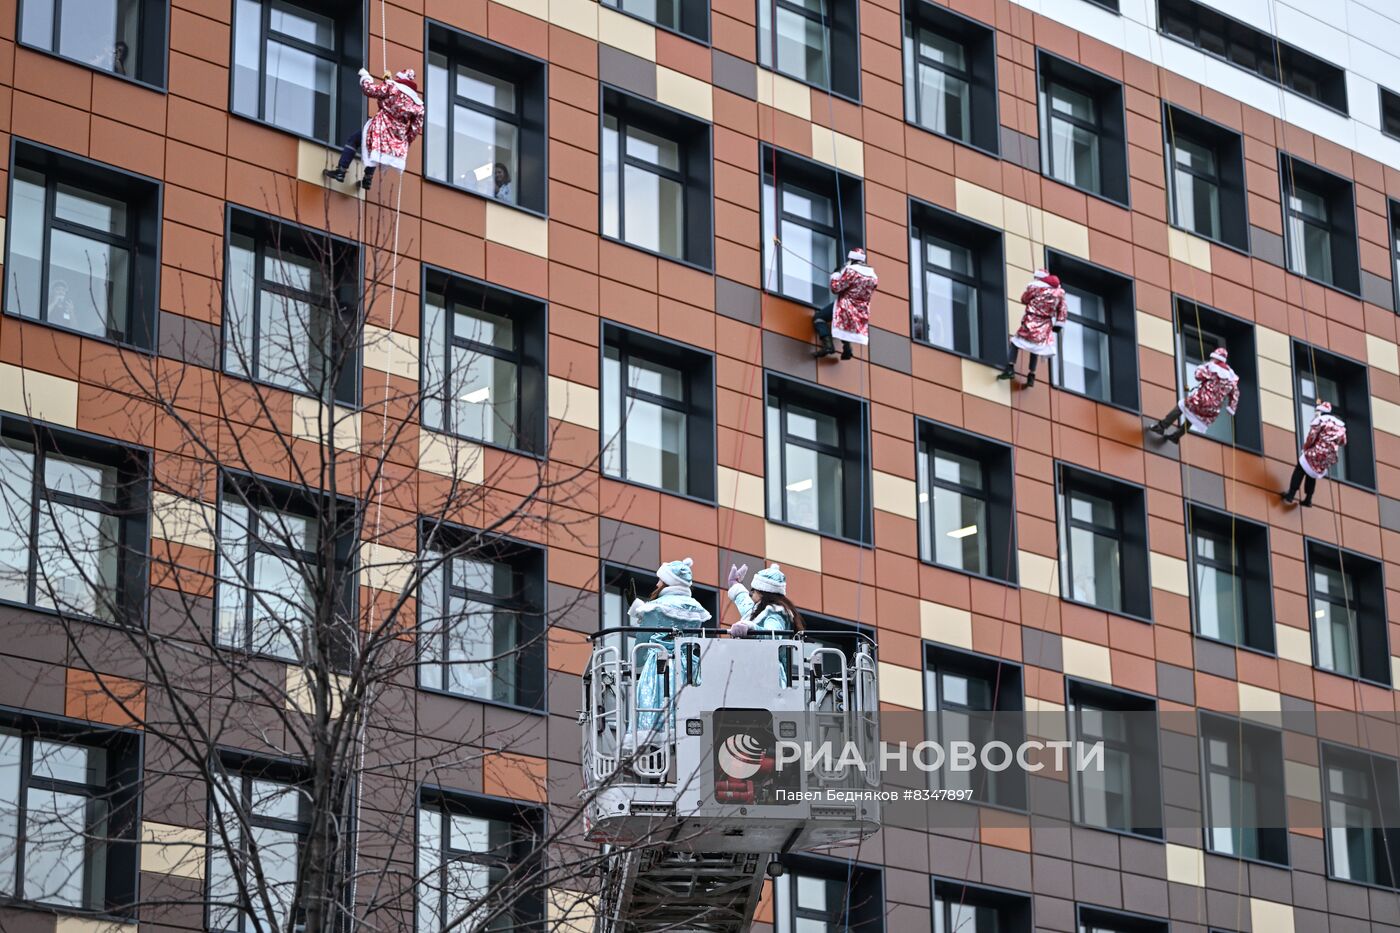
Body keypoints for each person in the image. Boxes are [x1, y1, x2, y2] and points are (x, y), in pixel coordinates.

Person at [630, 558, 711, 741]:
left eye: (660, 579)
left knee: (653, 705)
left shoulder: (657, 607)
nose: (657, 583)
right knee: (685, 709)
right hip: (687, 667)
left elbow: (643, 640)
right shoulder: (696, 608)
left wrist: (636, 664)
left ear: (668, 581)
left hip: (660, 665)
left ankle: (652, 740)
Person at [324, 68, 425, 192]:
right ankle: (367, 179)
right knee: (376, 152)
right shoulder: (418, 105)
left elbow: (369, 90)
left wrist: (366, 77)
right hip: (397, 136)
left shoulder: (392, 88)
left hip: (381, 127)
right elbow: (415, 129)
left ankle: (341, 170)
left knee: (355, 140)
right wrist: (405, 141)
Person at [1149, 346, 1240, 443]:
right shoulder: (1231, 378)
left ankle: (1162, 426)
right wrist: (1231, 408)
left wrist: (1202, 367)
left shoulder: (1212, 367)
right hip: (1214, 409)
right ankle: (1176, 436)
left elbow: (1198, 376)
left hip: (1202, 399)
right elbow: (1235, 394)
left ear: (1216, 358)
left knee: (1181, 406)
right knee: (1195, 417)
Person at [997, 269, 1068, 387]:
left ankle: (1010, 368)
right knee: (1036, 348)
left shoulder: (1035, 288)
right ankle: (1031, 375)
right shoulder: (1059, 293)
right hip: (1045, 324)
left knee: (1015, 343)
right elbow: (1063, 309)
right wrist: (1059, 323)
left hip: (1031, 321)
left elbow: (1024, 299)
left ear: (1039, 278)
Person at [815, 248, 878, 360]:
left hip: (846, 306)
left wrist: (836, 275)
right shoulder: (873, 277)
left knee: (819, 318)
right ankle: (847, 348)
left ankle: (828, 345)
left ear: (852, 259)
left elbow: (836, 288)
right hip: (861, 310)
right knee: (846, 326)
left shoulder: (851, 271)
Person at [1283, 401, 1347, 507]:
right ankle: (1308, 499)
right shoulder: (1339, 425)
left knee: (1300, 467)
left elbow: (1311, 437)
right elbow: (1343, 442)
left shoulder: (1320, 420)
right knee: (1312, 472)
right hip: (1329, 456)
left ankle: (1291, 494)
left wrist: (1306, 448)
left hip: (1318, 450)